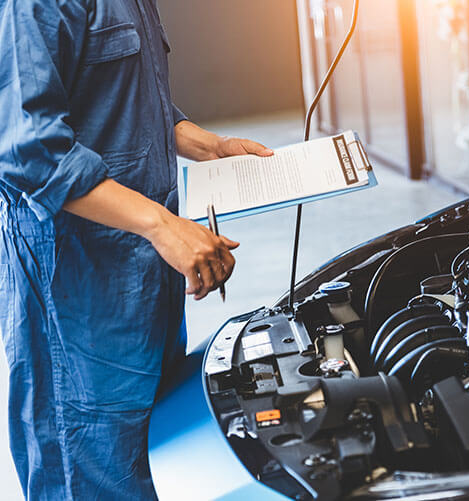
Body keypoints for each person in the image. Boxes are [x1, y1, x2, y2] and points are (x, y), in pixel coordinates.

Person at [0, 1, 273, 498]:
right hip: (77, 294)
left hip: (143, 282)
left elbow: (119, 102)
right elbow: (27, 150)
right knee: (90, 473)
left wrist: (208, 145)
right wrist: (161, 225)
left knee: (150, 460)